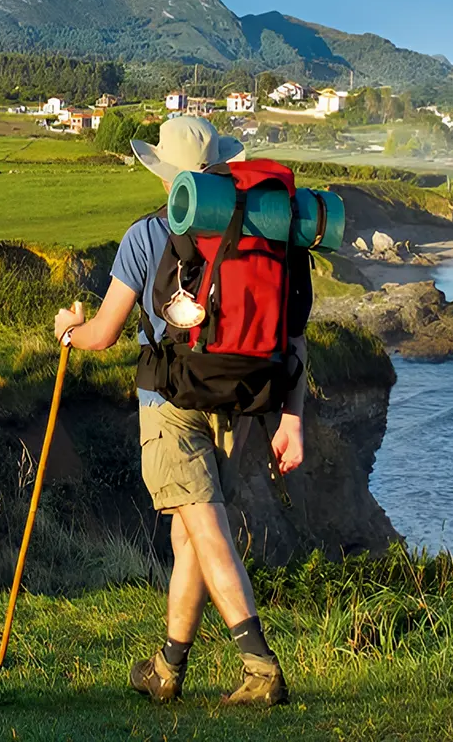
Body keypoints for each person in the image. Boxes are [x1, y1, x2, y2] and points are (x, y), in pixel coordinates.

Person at [53, 115, 311, 706]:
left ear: (165, 174)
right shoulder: (267, 232)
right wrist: (291, 418)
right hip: (240, 399)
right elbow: (293, 338)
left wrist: (70, 329)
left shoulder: (146, 235)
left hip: (168, 400)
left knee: (205, 526)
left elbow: (104, 333)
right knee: (192, 535)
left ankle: (259, 665)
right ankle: (168, 668)